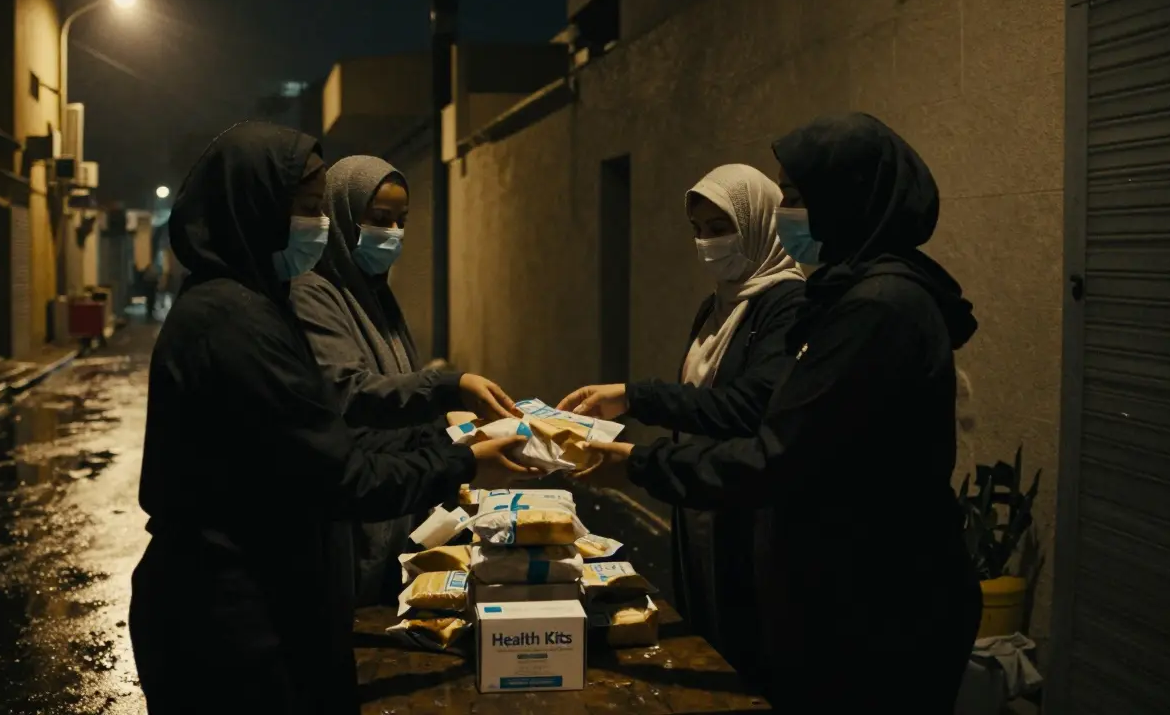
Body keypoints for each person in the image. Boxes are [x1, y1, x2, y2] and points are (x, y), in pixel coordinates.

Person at [578, 113, 982, 711]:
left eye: (796, 197)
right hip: (852, 589)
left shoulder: (875, 308)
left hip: (878, 605)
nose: (789, 210)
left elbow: (779, 448)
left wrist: (637, 463)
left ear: (845, 199)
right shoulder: (854, 292)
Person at [128, 121, 523, 715]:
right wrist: (462, 459)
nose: (315, 225)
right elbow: (336, 469)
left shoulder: (252, 303)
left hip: (247, 591)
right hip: (227, 617)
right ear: (256, 206)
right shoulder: (236, 324)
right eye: (307, 208)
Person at [557, 163, 805, 681]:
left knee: (747, 648)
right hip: (700, 498)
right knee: (706, 627)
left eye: (720, 229)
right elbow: (700, 398)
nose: (707, 244)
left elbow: (743, 407)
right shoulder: (719, 305)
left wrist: (634, 403)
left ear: (761, 222)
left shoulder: (786, 306)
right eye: (698, 231)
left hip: (746, 504)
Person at [290, 154, 519, 607]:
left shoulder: (375, 295)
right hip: (357, 504)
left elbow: (398, 393)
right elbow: (351, 392)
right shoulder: (313, 294)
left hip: (397, 502)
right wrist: (447, 389)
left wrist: (455, 434)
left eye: (401, 220)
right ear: (340, 216)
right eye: (378, 219)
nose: (392, 233)